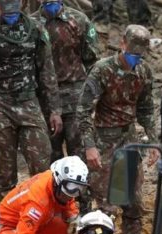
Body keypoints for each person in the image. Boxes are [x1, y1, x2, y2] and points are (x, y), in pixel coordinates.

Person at [76, 25, 155, 234]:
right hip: (103, 138)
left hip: (128, 139)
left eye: (139, 55)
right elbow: (83, 111)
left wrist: (154, 141)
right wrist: (89, 146)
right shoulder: (102, 70)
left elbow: (146, 110)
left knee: (132, 197)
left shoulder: (143, 72)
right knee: (105, 200)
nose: (134, 59)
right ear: (122, 44)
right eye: (132, 53)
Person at [0, 0, 62, 200]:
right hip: (0, 104)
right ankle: (7, 217)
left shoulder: (35, 29)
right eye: (6, 5)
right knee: (5, 171)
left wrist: (54, 110)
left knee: (41, 161)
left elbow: (47, 70)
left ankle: (43, 208)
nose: (11, 10)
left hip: (29, 101)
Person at [31, 0, 99, 163]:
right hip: (44, 99)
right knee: (49, 156)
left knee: (79, 154)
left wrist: (94, 97)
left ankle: (80, 189)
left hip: (75, 96)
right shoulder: (31, 25)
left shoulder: (79, 20)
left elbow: (92, 62)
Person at [0, 155, 87, 234]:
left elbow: (69, 201)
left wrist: (73, 218)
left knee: (74, 233)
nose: (70, 196)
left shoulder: (59, 184)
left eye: (79, 188)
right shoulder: (37, 202)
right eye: (67, 192)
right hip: (8, 228)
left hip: (37, 224)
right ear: (57, 181)